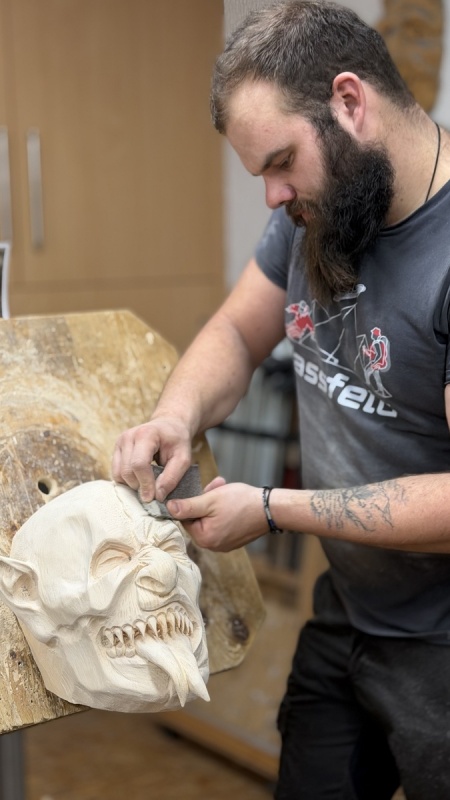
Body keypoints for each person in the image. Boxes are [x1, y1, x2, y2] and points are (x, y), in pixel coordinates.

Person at [112, 2, 450, 797]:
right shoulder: (317, 210)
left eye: (281, 162)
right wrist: (175, 415)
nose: (272, 196)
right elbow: (238, 331)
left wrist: (272, 510)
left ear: (349, 101)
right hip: (351, 606)